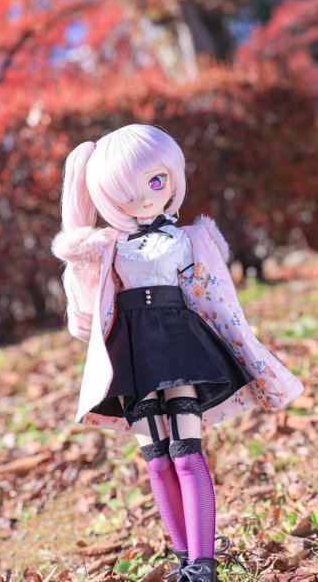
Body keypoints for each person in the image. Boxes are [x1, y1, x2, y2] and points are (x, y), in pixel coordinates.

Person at [51, 124, 304, 582]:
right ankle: (186, 559)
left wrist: (241, 342)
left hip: (178, 344)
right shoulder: (108, 247)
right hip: (129, 352)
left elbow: (214, 292)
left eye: (156, 181)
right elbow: (86, 310)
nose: (146, 198)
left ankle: (203, 563)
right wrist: (78, 244)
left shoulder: (187, 238)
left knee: (187, 452)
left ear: (172, 177)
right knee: (157, 458)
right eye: (125, 193)